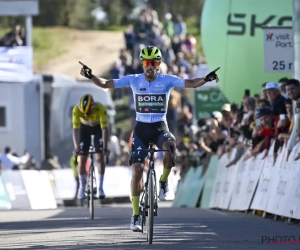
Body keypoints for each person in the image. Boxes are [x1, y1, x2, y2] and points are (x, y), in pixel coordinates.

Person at [79, 46, 219, 231]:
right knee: (137, 170)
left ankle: (163, 182)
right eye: (146, 63)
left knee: (170, 146)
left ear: (159, 64)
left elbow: (191, 83)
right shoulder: (133, 80)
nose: (149, 67)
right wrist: (90, 75)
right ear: (142, 64)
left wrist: (206, 79)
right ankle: (136, 215)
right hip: (141, 130)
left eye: (153, 63)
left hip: (160, 128)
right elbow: (106, 84)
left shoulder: (166, 80)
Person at [72, 94, 110, 200]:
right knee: (82, 158)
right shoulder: (76, 110)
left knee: (100, 156)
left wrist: (105, 147)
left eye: (88, 112)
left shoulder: (100, 108)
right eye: (83, 113)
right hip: (84, 130)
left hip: (98, 129)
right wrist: (76, 147)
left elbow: (104, 129)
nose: (86, 115)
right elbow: (75, 129)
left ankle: (101, 187)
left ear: (92, 107)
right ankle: (82, 187)